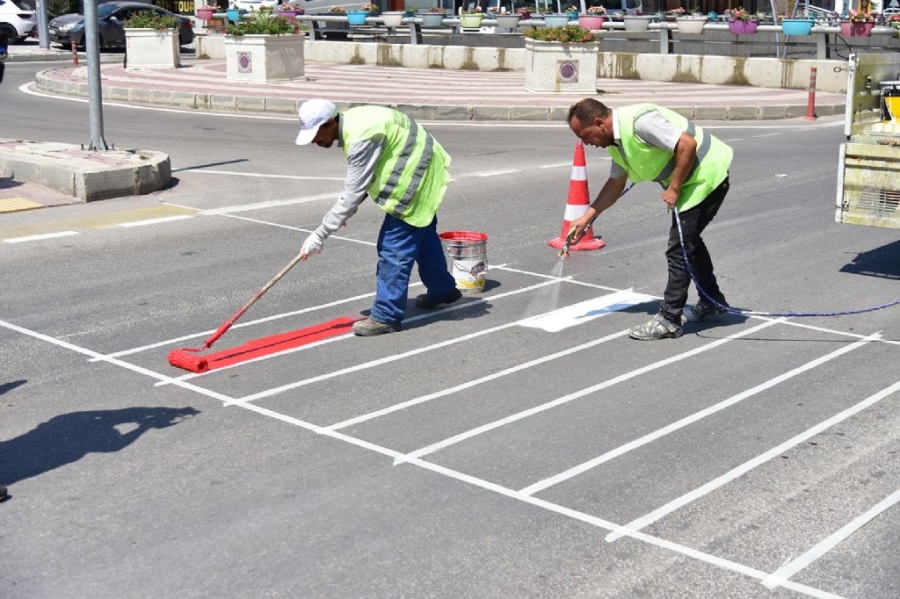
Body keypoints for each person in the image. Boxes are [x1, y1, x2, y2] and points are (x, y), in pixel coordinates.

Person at [566, 98, 733, 340]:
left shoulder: (640, 123)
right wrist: (587, 218)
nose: (585, 143)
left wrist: (674, 188)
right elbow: (615, 185)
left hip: (707, 175)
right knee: (689, 243)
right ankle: (712, 301)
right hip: (690, 183)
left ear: (599, 123)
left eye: (584, 135)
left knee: (679, 248)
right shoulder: (616, 143)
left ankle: (669, 319)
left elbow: (687, 144)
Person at [296, 99, 462, 337]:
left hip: (414, 180)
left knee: (393, 248)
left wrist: (320, 234)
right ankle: (443, 289)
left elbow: (354, 192)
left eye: (315, 134)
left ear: (331, 123)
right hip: (427, 168)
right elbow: (363, 183)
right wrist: (345, 212)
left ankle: (387, 315)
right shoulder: (356, 120)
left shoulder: (361, 138)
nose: (314, 141)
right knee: (423, 237)